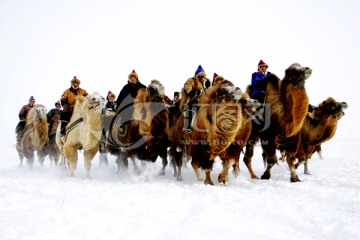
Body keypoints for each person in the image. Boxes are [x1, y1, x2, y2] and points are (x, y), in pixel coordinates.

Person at [115, 70, 146, 135]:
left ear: (136, 78)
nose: (132, 78)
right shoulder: (126, 87)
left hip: (140, 105)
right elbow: (120, 97)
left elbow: (147, 94)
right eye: (131, 77)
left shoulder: (142, 86)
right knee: (125, 112)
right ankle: (123, 126)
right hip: (129, 105)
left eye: (134, 77)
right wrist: (117, 104)